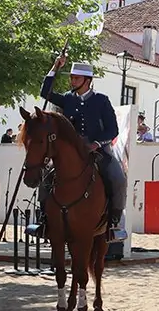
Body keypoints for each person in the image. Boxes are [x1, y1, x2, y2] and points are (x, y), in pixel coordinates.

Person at [40, 56, 128, 242]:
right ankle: (44, 219)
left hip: (97, 149)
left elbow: (113, 129)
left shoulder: (101, 101)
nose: (72, 81)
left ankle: (113, 222)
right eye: (71, 77)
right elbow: (45, 92)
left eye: (76, 78)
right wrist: (55, 67)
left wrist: (97, 143)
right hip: (70, 151)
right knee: (46, 175)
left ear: (87, 81)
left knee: (118, 178)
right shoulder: (67, 99)